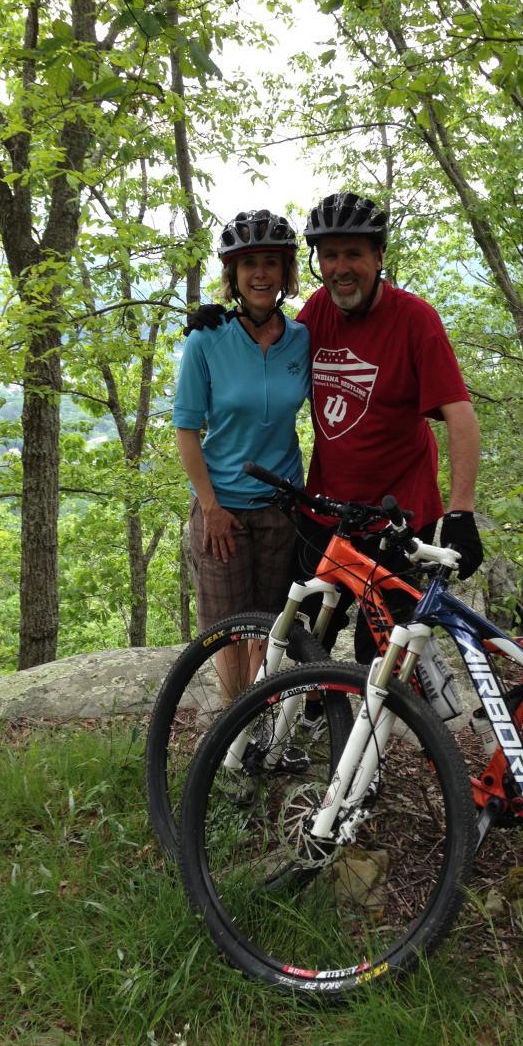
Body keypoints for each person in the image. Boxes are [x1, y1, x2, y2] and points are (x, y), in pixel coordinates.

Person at [295, 191, 482, 659]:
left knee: (376, 652)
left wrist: (461, 512)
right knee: (307, 631)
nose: (341, 267)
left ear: (379, 256)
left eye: (354, 254)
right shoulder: (317, 309)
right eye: (330, 255)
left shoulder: (414, 320)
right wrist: (228, 328)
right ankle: (320, 714)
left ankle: (375, 729)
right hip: (329, 511)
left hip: (399, 517)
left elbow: (460, 416)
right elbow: (269, 359)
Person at [172, 209, 309, 702]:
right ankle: (231, 729)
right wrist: (210, 507)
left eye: (271, 262)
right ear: (232, 274)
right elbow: (186, 429)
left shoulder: (301, 339)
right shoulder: (206, 340)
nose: (260, 274)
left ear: (285, 272)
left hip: (280, 507)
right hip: (222, 508)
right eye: (248, 263)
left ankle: (258, 718)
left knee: (269, 627)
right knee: (228, 630)